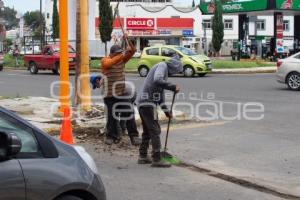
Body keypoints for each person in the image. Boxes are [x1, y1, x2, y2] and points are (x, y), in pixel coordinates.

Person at [136, 55, 182, 168]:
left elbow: (160, 96)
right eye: (177, 71)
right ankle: (156, 159)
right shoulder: (162, 66)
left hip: (145, 103)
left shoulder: (163, 73)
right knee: (155, 130)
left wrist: (166, 111)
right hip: (147, 103)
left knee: (147, 131)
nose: (175, 73)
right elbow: (157, 80)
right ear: (174, 67)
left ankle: (142, 156)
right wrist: (172, 86)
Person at [100, 37, 138, 145]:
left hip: (122, 94)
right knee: (112, 117)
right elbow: (109, 64)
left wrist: (128, 40)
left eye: (120, 54)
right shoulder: (105, 60)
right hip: (109, 95)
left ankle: (134, 136)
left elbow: (132, 51)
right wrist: (122, 54)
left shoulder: (121, 60)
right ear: (111, 54)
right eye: (117, 54)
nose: (119, 55)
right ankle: (111, 136)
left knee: (129, 112)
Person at [90, 75, 142, 146]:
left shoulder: (108, 85)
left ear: (97, 81)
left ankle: (130, 136)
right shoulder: (107, 83)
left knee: (126, 113)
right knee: (117, 114)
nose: (98, 87)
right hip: (124, 93)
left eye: (96, 85)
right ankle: (117, 134)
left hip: (128, 93)